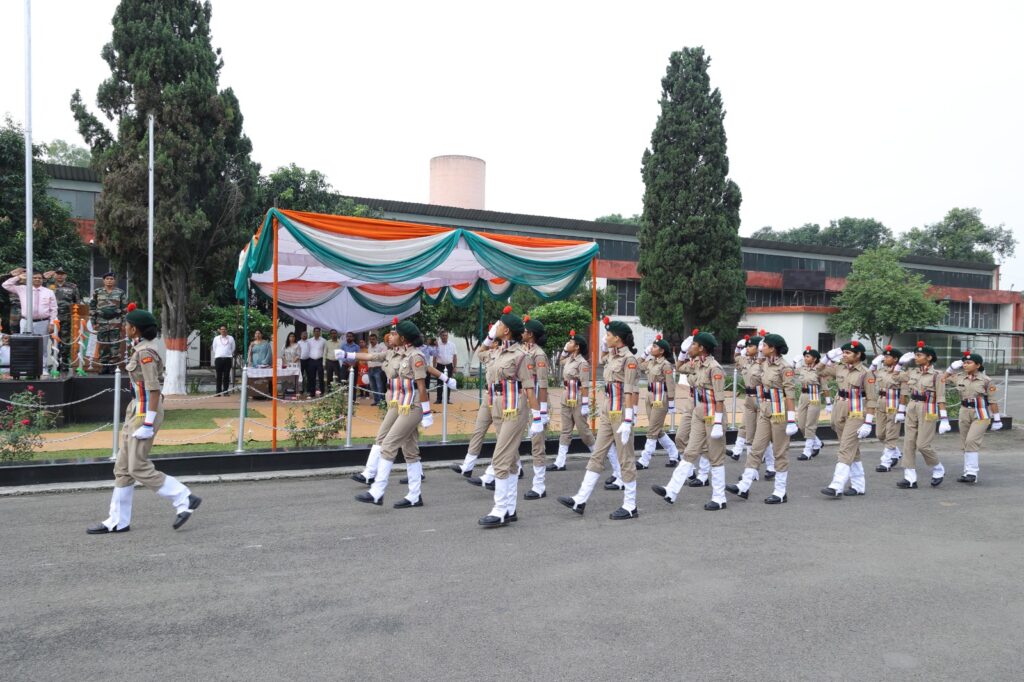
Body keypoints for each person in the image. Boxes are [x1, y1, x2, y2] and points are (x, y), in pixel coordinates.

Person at [86, 305, 201, 534]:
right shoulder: (140, 347)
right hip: (137, 408)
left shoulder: (145, 352)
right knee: (122, 468)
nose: (125, 327)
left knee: (137, 466)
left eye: (127, 324)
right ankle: (118, 520)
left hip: (146, 410)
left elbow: (154, 389)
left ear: (135, 328)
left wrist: (148, 423)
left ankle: (183, 497)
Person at [558, 317, 641, 520]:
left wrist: (629, 419)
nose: (606, 337)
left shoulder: (629, 360)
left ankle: (630, 505)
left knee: (626, 458)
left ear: (619, 338)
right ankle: (580, 499)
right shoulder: (612, 356)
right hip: (607, 410)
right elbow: (602, 356)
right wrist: (606, 345)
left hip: (621, 412)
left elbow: (630, 391)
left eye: (609, 335)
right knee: (597, 455)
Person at [348, 320, 432, 509]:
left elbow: (421, 386)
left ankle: (377, 491)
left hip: (413, 406)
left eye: (395, 334)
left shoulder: (415, 356)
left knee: (388, 445)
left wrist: (427, 412)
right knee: (410, 451)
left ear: (403, 338)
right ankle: (414, 495)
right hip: (403, 404)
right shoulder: (401, 354)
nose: (391, 336)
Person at [476, 307, 543, 527]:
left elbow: (530, 388)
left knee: (500, 459)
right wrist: (488, 336)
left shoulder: (521, 356)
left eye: (499, 325)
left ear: (506, 331)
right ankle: (511, 508)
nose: (496, 326)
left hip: (514, 408)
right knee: (511, 459)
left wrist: (537, 417)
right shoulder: (495, 351)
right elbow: (479, 353)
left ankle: (500, 509)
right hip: (497, 406)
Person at [651, 331, 730, 511]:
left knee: (716, 455)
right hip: (699, 411)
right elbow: (679, 367)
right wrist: (683, 353)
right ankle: (671, 490)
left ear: (701, 348)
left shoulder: (714, 368)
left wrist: (718, 422)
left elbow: (720, 398)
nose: (690, 347)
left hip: (713, 414)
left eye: (693, 344)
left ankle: (719, 498)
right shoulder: (697, 364)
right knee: (690, 451)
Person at [726, 333, 799, 504]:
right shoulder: (764, 364)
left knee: (780, 452)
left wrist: (791, 419)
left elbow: (790, 395)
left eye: (764, 345)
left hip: (779, 412)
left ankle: (780, 492)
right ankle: (744, 486)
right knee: (756, 448)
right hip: (765, 411)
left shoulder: (785, 368)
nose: (761, 347)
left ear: (773, 348)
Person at [817, 341, 879, 497]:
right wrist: (826, 358)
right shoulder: (839, 367)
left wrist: (868, 422)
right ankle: (858, 486)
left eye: (848, 353)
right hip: (840, 408)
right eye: (843, 352)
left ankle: (836, 485)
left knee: (845, 447)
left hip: (857, 412)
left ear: (858, 355)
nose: (844, 355)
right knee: (852, 449)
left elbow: (872, 399)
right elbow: (817, 371)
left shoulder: (866, 373)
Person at [894, 341, 949, 490]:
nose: (916, 358)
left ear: (929, 357)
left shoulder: (937, 375)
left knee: (923, 444)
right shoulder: (913, 372)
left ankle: (938, 468)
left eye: (919, 355)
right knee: (909, 442)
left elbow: (941, 397)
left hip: (928, 408)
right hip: (912, 406)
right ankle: (910, 478)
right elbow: (895, 377)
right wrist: (899, 363)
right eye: (915, 355)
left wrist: (944, 418)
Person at [947, 350, 1003, 483]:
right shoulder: (959, 377)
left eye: (969, 363)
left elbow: (992, 400)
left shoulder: (986, 380)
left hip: (981, 412)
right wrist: (951, 368)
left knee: (971, 441)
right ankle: (967, 472)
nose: (965, 365)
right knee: (965, 442)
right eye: (964, 363)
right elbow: (942, 378)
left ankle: (972, 472)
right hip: (964, 411)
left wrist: (997, 418)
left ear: (978, 365)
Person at [450, 340, 503, 480]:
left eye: (492, 339)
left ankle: (516, 466)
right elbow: (480, 351)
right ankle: (467, 466)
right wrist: (489, 339)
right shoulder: (488, 354)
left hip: (501, 397)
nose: (489, 342)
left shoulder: (506, 354)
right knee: (478, 430)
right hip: (488, 396)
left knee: (502, 435)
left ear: (498, 343)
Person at [549, 330, 596, 471]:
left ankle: (597, 457)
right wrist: (565, 349)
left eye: (571, 342)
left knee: (584, 431)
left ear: (577, 347)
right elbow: (559, 361)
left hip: (578, 399)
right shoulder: (569, 359)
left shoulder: (582, 363)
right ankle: (560, 462)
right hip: (566, 397)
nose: (568, 343)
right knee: (565, 430)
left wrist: (586, 404)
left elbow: (585, 384)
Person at [4, 268, 58, 373]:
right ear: (30, 279)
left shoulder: (49, 292)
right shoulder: (23, 289)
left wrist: (52, 323)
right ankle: (25, 369)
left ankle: (43, 369)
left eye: (39, 278)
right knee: (24, 345)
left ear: (42, 280)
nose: (37, 279)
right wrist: (18, 277)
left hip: (43, 322)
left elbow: (54, 309)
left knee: (42, 346)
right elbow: (6, 285)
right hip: (26, 321)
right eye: (35, 278)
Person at [522, 316, 552, 500]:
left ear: (531, 335)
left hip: (537, 404)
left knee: (537, 445)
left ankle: (539, 485)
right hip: (524, 402)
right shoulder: (523, 350)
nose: (522, 333)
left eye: (525, 331)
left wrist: (541, 412)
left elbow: (542, 384)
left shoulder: (538, 354)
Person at [636, 336, 678, 469]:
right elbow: (637, 364)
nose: (652, 348)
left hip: (660, 397)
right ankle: (674, 454)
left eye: (654, 347)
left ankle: (644, 460)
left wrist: (671, 403)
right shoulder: (651, 362)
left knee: (653, 429)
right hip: (649, 396)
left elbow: (670, 385)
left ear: (662, 351)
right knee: (657, 429)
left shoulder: (666, 365)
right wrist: (645, 353)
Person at [871, 346, 905, 471]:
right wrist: (874, 364)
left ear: (895, 359)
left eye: (887, 357)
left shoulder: (901, 373)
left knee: (891, 433)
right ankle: (895, 452)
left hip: (893, 404)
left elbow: (904, 392)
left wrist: (901, 409)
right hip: (881, 403)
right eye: (884, 357)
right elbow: (869, 375)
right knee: (880, 434)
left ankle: (886, 462)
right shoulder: (882, 371)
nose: (884, 359)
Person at [796, 346, 829, 461]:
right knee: (801, 424)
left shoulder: (819, 370)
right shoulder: (802, 368)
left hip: (814, 397)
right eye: (805, 356)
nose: (805, 358)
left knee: (810, 424)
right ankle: (817, 442)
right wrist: (794, 362)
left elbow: (825, 387)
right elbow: (789, 371)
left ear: (815, 359)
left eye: (808, 356)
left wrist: (828, 403)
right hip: (803, 396)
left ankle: (807, 451)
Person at [90, 272, 127, 374]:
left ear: (114, 281)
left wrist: (124, 323)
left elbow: (124, 308)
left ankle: (113, 366)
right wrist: (93, 322)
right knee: (103, 344)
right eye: (107, 279)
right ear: (104, 280)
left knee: (114, 344)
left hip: (115, 321)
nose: (109, 280)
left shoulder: (120, 292)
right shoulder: (97, 292)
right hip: (101, 322)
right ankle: (104, 366)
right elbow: (92, 307)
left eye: (111, 279)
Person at [46, 267, 80, 372]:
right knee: (53, 340)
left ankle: (65, 362)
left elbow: (77, 302)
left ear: (65, 275)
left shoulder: (72, 287)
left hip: (67, 318)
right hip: (52, 318)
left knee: (65, 341)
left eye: (62, 274)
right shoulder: (48, 286)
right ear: (54, 275)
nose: (60, 276)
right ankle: (55, 362)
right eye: (58, 274)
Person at [434, 329, 458, 403]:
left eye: (446, 335)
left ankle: (447, 399)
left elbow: (454, 356)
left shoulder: (452, 345)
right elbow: (434, 356)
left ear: (448, 336)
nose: (444, 337)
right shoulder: (437, 344)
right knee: (439, 383)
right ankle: (439, 399)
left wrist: (455, 367)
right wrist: (434, 367)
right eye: (443, 335)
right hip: (439, 366)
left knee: (448, 382)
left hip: (449, 366)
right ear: (441, 336)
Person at [211, 325, 236, 395]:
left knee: (226, 376)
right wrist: (220, 354)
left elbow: (233, 348)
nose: (223, 330)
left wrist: (228, 354)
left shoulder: (231, 338)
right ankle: (218, 391)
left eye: (224, 329)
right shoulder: (216, 338)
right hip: (218, 359)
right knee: (218, 376)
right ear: (219, 330)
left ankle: (225, 391)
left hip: (228, 359)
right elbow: (214, 348)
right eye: (222, 329)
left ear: (227, 330)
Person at [367, 332, 387, 406]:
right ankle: (376, 400)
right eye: (370, 339)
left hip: (378, 369)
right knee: (373, 386)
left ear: (376, 339)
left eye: (373, 339)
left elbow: (383, 357)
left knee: (380, 386)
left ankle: (382, 401)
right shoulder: (369, 347)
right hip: (370, 369)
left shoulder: (381, 347)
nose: (371, 341)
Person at [306, 327, 326, 396]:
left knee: (321, 377)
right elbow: (307, 350)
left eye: (318, 331)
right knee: (312, 377)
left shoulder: (324, 341)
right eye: (315, 331)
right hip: (311, 360)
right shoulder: (309, 341)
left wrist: (324, 362)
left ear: (320, 332)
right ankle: (312, 392)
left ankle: (322, 392)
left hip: (320, 360)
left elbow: (324, 351)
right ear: (313, 332)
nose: (317, 332)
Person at [281, 332, 301, 396]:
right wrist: (285, 362)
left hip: (295, 363)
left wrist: (292, 363)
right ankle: (285, 391)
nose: (292, 338)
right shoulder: (285, 345)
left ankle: (296, 391)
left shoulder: (297, 345)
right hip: (286, 364)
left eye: (293, 336)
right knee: (286, 377)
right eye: (290, 336)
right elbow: (282, 355)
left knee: (295, 378)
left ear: (295, 338)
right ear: (288, 337)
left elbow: (298, 355)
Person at [297, 330, 310, 396]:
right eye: (303, 334)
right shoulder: (298, 343)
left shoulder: (309, 342)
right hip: (300, 361)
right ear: (301, 335)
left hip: (308, 360)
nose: (304, 335)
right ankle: (300, 390)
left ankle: (308, 390)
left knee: (309, 376)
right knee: (300, 376)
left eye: (305, 334)